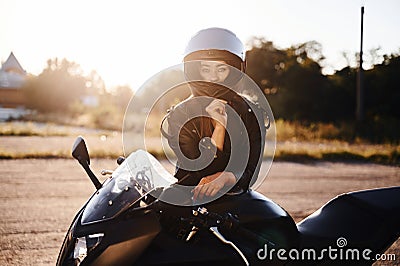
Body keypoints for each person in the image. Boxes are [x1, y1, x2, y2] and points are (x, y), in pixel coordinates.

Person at [163, 27, 266, 204]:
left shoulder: (251, 112)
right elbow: (197, 170)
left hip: (235, 199)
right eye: (206, 69)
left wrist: (228, 177)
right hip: (188, 198)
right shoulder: (180, 114)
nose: (213, 77)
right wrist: (219, 128)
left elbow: (252, 169)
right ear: (196, 70)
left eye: (221, 69)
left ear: (234, 70)